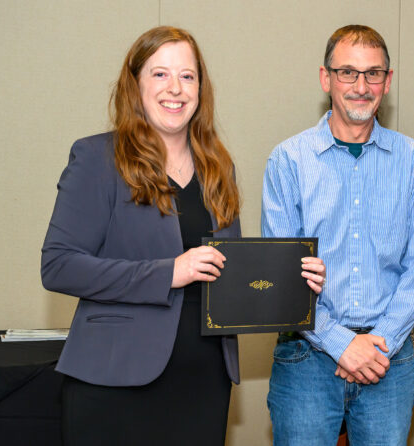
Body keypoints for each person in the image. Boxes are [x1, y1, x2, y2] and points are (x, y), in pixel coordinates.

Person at [40, 26, 325, 446]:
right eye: (160, 74)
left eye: (187, 76)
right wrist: (168, 272)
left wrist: (293, 284)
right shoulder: (97, 158)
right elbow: (58, 265)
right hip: (114, 382)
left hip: (203, 381)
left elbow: (231, 274)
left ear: (200, 88)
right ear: (135, 83)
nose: (175, 88)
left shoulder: (217, 167)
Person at [262, 24, 414, 446]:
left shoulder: (413, 160)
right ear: (326, 78)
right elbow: (283, 276)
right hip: (306, 355)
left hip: (388, 358)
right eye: (347, 73)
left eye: (373, 73)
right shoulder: (288, 160)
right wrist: (341, 344)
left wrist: (377, 345)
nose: (361, 86)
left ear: (387, 82)